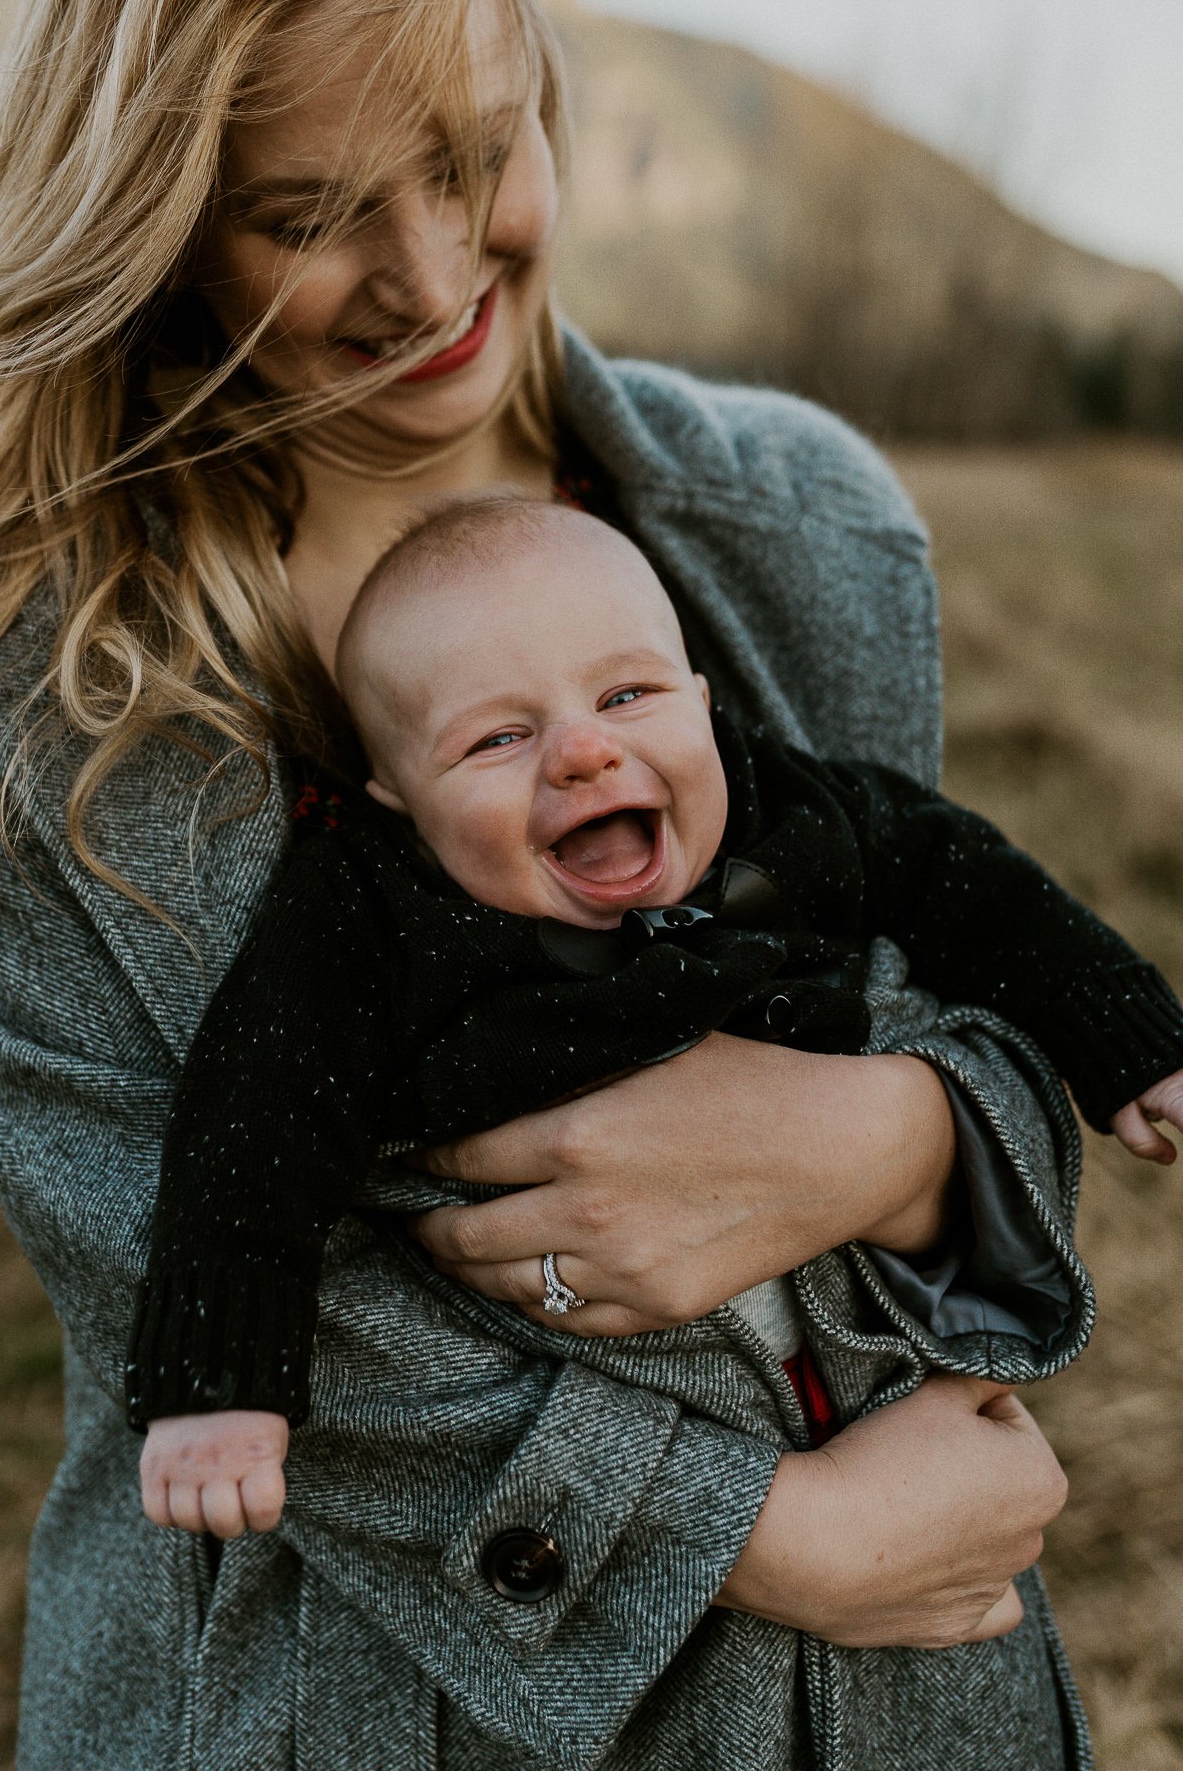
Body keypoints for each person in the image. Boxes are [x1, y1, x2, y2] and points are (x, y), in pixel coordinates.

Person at [0, 0, 1096, 1771]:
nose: (428, 278)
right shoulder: (19, 626)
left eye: (475, 153)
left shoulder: (809, 532)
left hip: (874, 1748)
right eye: (307, 212)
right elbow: (183, 1264)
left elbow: (978, 999)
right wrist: (771, 1532)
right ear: (155, 211)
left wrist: (903, 1138)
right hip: (339, 1738)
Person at [129, 495, 1183, 1535]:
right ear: (396, 795)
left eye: (629, 693)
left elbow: (977, 887)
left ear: (701, 693)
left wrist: (1131, 1042)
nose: (584, 752)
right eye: (496, 737)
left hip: (872, 1363)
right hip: (610, 1419)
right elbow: (253, 1120)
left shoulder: (790, 809)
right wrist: (220, 1378)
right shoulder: (370, 913)